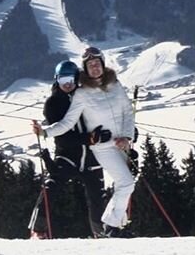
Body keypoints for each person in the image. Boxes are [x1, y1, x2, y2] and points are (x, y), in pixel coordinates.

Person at [33, 47, 136, 237]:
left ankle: (108, 229)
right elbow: (66, 124)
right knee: (125, 183)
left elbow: (127, 112)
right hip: (87, 151)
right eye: (90, 65)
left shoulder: (115, 84)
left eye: (97, 63)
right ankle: (39, 229)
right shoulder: (77, 95)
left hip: (111, 147)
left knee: (115, 189)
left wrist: (128, 136)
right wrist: (45, 132)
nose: (94, 68)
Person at [30, 60, 107, 239]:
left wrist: (124, 132)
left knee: (97, 197)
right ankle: (38, 229)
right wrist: (89, 139)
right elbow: (63, 135)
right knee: (52, 188)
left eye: (71, 79)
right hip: (67, 155)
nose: (67, 83)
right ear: (57, 79)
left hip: (90, 156)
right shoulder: (53, 103)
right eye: (63, 79)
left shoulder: (87, 96)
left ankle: (101, 233)